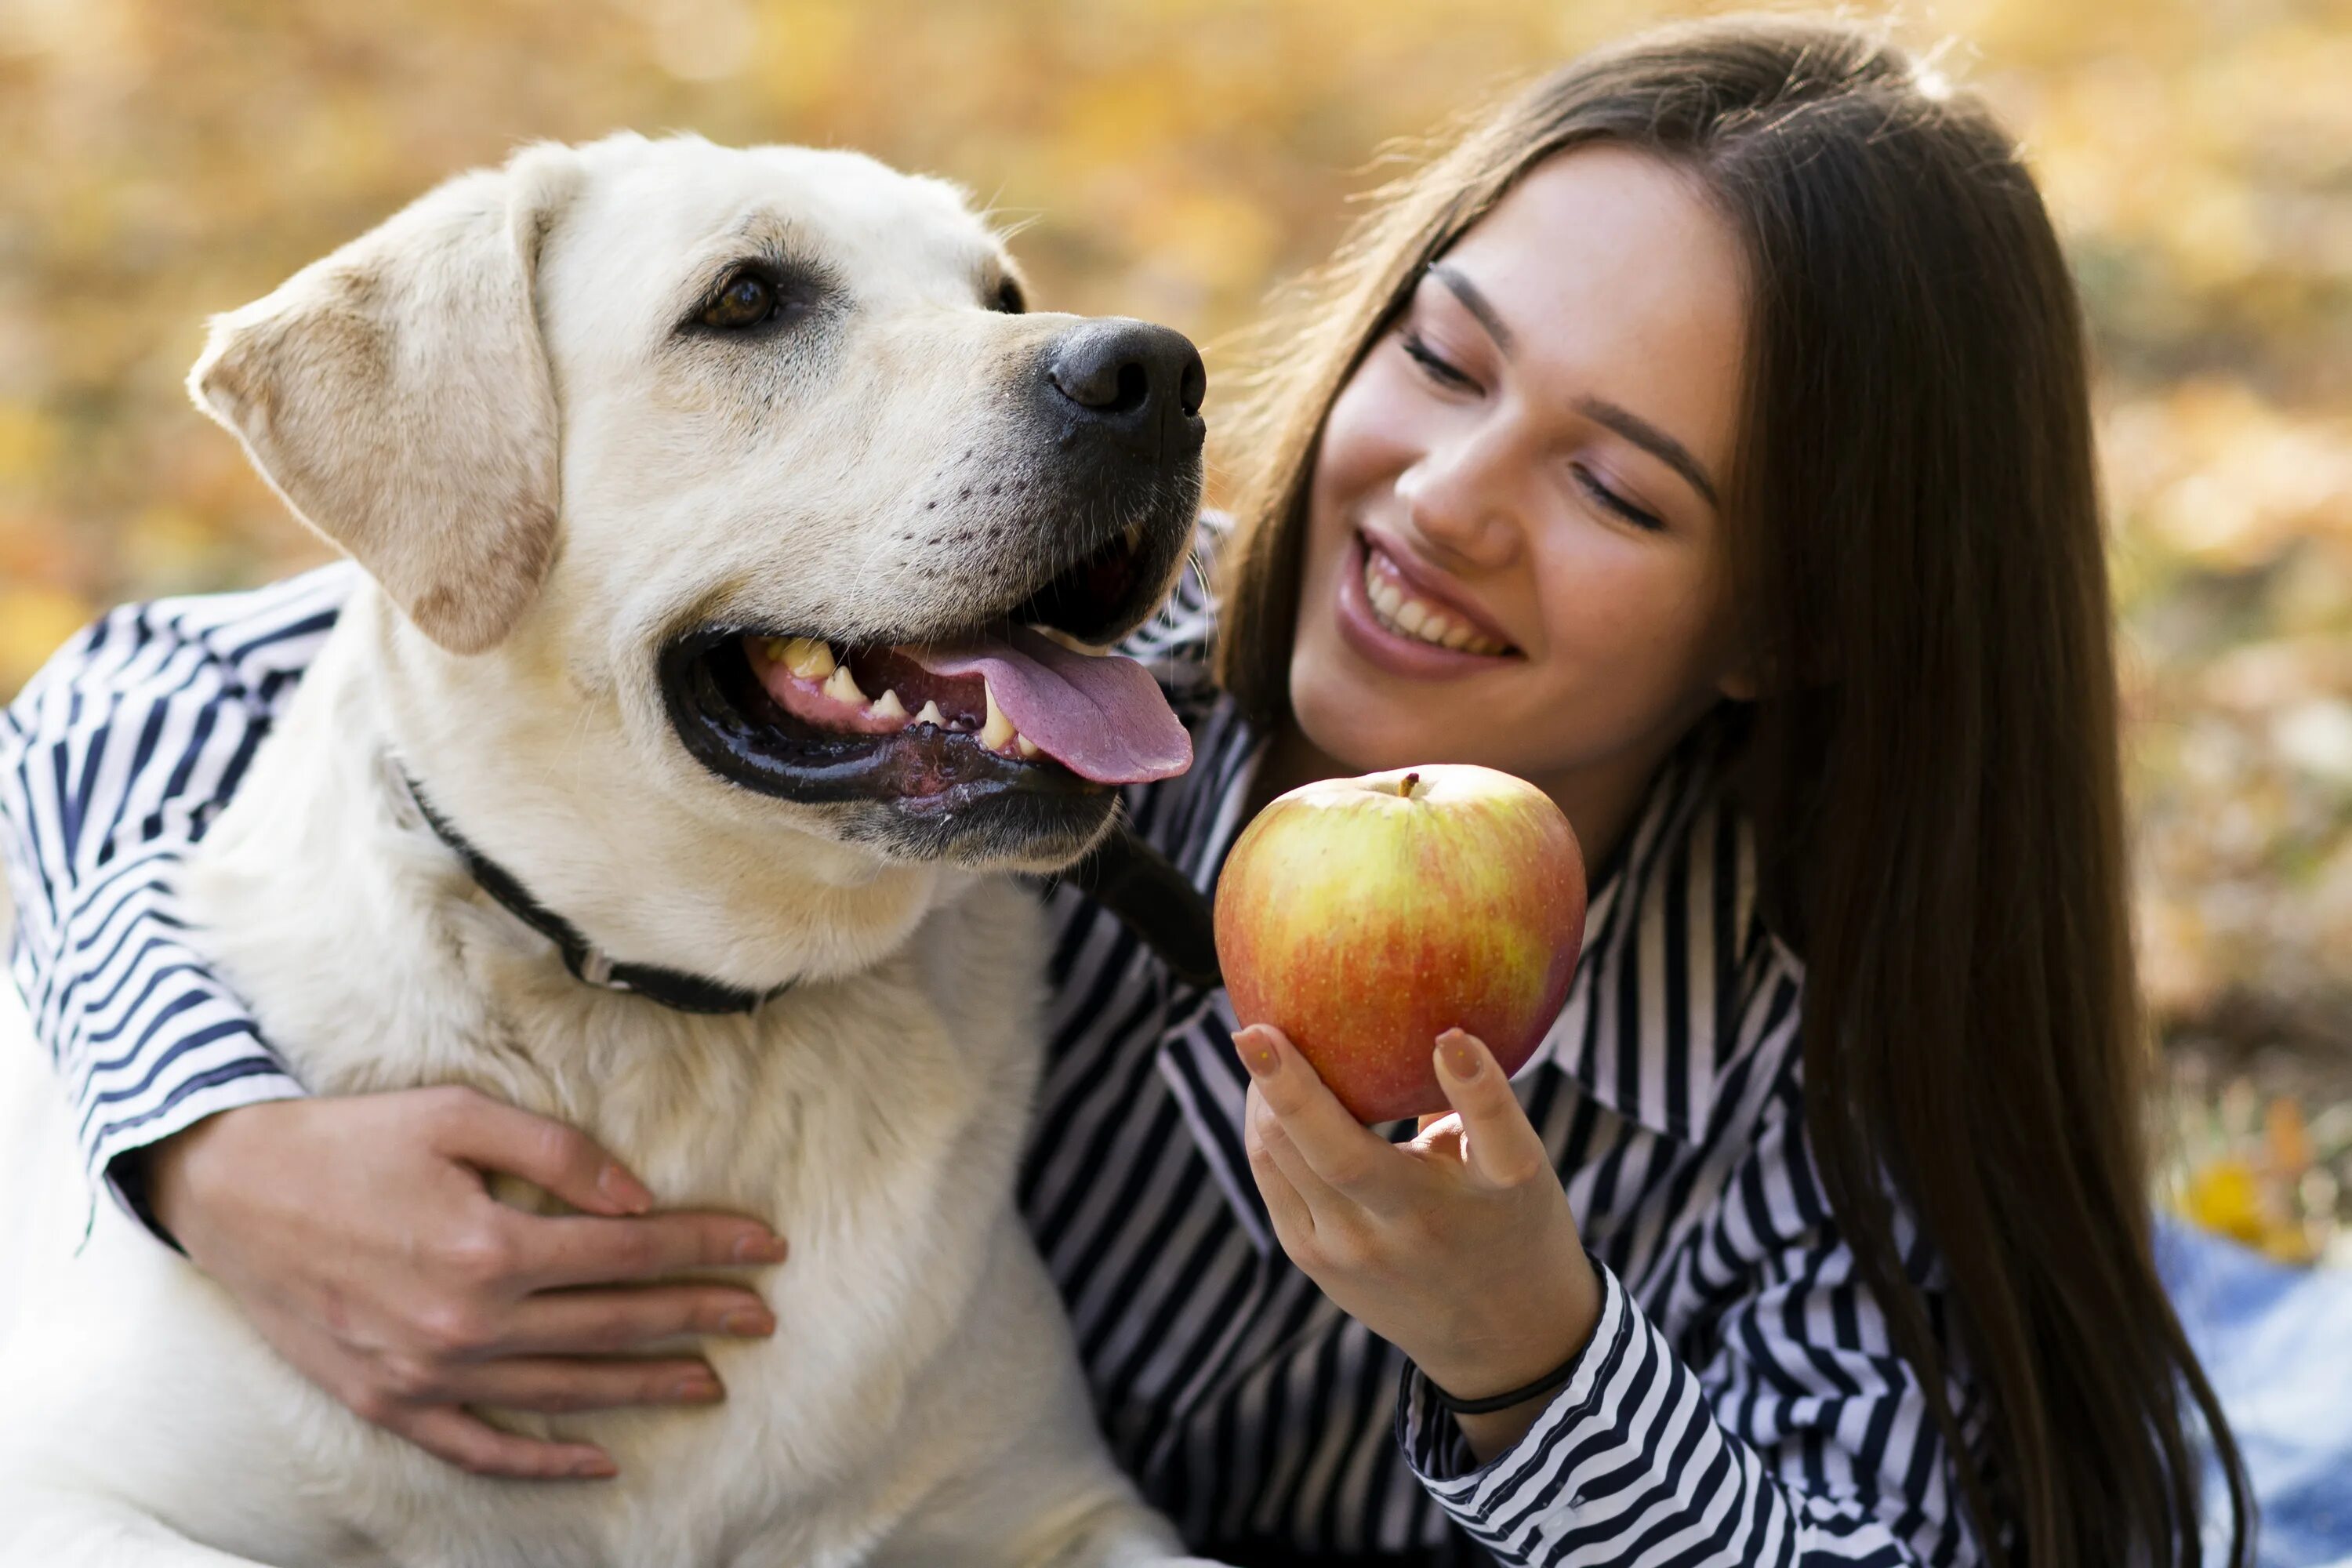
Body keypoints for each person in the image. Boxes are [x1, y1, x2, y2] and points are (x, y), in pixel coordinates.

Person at [0, 16, 2252, 1567]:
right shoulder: (1108, 719)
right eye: (1441, 358)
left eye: (1620, 487)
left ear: (1796, 626)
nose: (1444, 503)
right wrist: (205, 1131)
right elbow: (140, 701)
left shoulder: (1813, 1076)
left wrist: (1535, 1357)